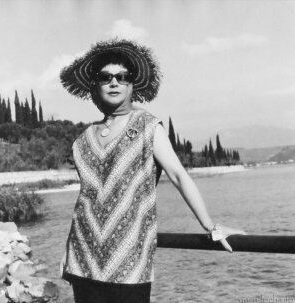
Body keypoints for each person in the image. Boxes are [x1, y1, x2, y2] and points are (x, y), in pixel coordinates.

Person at [58, 39, 246, 303]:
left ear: (132, 85)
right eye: (106, 77)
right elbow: (85, 201)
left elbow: (179, 175)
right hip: (82, 259)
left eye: (122, 77)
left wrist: (211, 226)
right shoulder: (83, 139)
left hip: (129, 263)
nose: (114, 82)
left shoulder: (148, 126)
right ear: (95, 85)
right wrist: (68, 250)